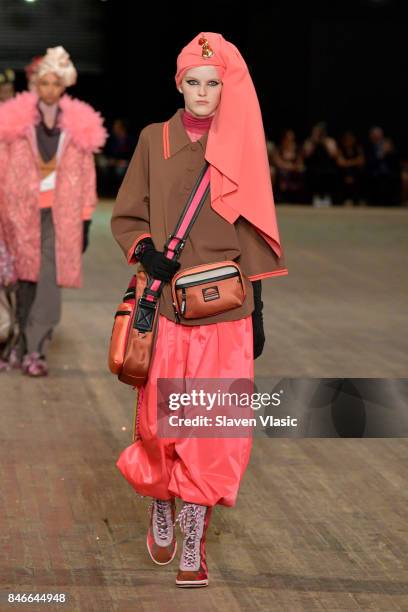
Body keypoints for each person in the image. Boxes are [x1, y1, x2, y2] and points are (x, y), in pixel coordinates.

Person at [111, 32, 288, 587]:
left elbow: (254, 227)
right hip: (165, 308)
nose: (204, 92)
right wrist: (145, 252)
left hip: (225, 314)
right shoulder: (152, 139)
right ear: (179, 83)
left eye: (214, 83)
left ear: (225, 87)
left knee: (212, 432)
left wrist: (256, 308)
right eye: (194, 82)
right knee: (163, 427)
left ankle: (194, 533)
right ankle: (161, 499)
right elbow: (127, 215)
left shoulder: (240, 145)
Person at [0, 46, 106, 376]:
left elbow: (86, 174)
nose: (48, 89)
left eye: (55, 83)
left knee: (48, 279)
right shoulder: (14, 124)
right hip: (19, 213)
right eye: (43, 83)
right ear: (34, 85)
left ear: (64, 86)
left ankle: (36, 350)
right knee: (22, 280)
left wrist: (86, 219)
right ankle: (17, 343)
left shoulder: (79, 126)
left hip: (60, 214)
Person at [303, 122, 338, 206]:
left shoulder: (330, 141)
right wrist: (314, 141)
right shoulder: (309, 141)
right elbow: (306, 154)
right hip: (313, 167)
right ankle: (316, 196)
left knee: (329, 173)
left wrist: (324, 141)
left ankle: (326, 196)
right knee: (314, 173)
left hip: (327, 167)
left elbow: (333, 154)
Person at [365, 126, 401, 206]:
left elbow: (395, 161)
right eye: (374, 135)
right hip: (374, 171)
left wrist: (390, 152)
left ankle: (393, 202)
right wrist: (382, 154)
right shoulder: (368, 146)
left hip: (388, 171)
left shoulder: (388, 145)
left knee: (392, 177)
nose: (377, 137)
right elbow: (369, 161)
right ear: (371, 136)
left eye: (378, 135)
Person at [271, 128, 305, 203]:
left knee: (301, 171)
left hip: (293, 172)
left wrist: (294, 167)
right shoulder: (279, 149)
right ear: (284, 139)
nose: (290, 141)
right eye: (288, 138)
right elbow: (277, 162)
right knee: (276, 172)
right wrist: (289, 166)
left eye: (292, 139)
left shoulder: (297, 150)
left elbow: (300, 164)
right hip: (282, 172)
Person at [336, 130, 365, 206]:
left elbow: (361, 161)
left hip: (356, 172)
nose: (349, 141)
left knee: (358, 175)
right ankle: (345, 199)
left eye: (351, 139)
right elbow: (341, 163)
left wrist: (348, 162)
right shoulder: (341, 149)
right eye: (347, 140)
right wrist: (354, 161)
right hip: (344, 172)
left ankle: (357, 199)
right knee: (346, 175)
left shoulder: (358, 148)